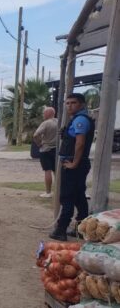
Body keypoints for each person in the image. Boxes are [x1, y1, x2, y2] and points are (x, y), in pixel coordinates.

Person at [50, 93, 95, 241]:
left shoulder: (80, 120)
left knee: (67, 197)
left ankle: (61, 229)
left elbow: (80, 144)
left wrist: (74, 163)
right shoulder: (77, 119)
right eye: (67, 103)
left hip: (74, 164)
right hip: (77, 164)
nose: (69, 106)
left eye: (73, 103)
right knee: (78, 197)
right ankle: (81, 229)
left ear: (81, 104)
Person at [32, 106, 58, 198]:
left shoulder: (46, 123)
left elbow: (36, 135)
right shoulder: (58, 121)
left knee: (47, 170)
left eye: (44, 113)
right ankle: (59, 190)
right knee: (57, 171)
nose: (43, 115)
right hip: (57, 149)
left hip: (46, 149)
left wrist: (39, 144)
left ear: (48, 113)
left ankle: (48, 192)